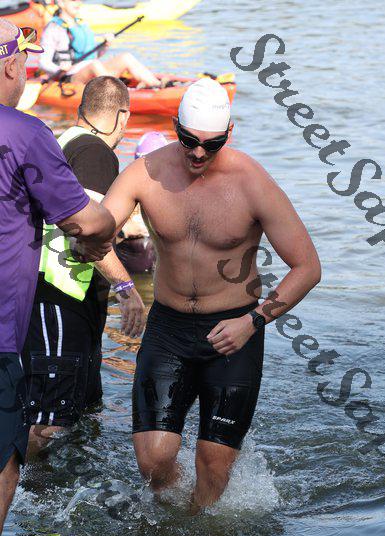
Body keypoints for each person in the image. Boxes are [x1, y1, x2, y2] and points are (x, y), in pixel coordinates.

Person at [101, 77, 322, 513]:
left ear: (229, 134)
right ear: (175, 126)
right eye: (189, 141)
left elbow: (308, 267)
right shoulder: (146, 173)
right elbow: (97, 235)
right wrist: (125, 286)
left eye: (212, 144)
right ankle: (174, 524)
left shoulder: (252, 182)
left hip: (234, 333)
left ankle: (199, 531)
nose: (199, 153)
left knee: (213, 466)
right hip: (168, 328)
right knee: (153, 462)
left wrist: (253, 322)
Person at [0, 19, 115, 535]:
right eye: (25, 59)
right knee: (7, 460)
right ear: (10, 66)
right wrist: (102, 237)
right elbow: (85, 221)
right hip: (3, 336)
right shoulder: (25, 133)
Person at [22, 76, 146, 454]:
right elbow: (87, 234)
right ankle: (22, 485)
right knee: (50, 421)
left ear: (80, 109)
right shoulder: (96, 152)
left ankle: (63, 483)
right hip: (63, 297)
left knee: (81, 411)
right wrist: (126, 288)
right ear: (123, 116)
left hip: (49, 296)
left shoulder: (64, 141)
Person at [39, 0, 162, 87]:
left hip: (92, 70)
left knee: (126, 57)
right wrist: (59, 68)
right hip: (70, 76)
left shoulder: (81, 24)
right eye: (73, 0)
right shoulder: (54, 28)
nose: (78, 3)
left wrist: (105, 46)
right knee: (95, 65)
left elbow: (93, 55)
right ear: (61, 2)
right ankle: (117, 93)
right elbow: (43, 61)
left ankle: (157, 85)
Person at [115, 132, 169, 275]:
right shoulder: (125, 189)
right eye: (146, 165)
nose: (150, 172)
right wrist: (126, 231)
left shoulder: (177, 191)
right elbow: (104, 230)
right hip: (133, 266)